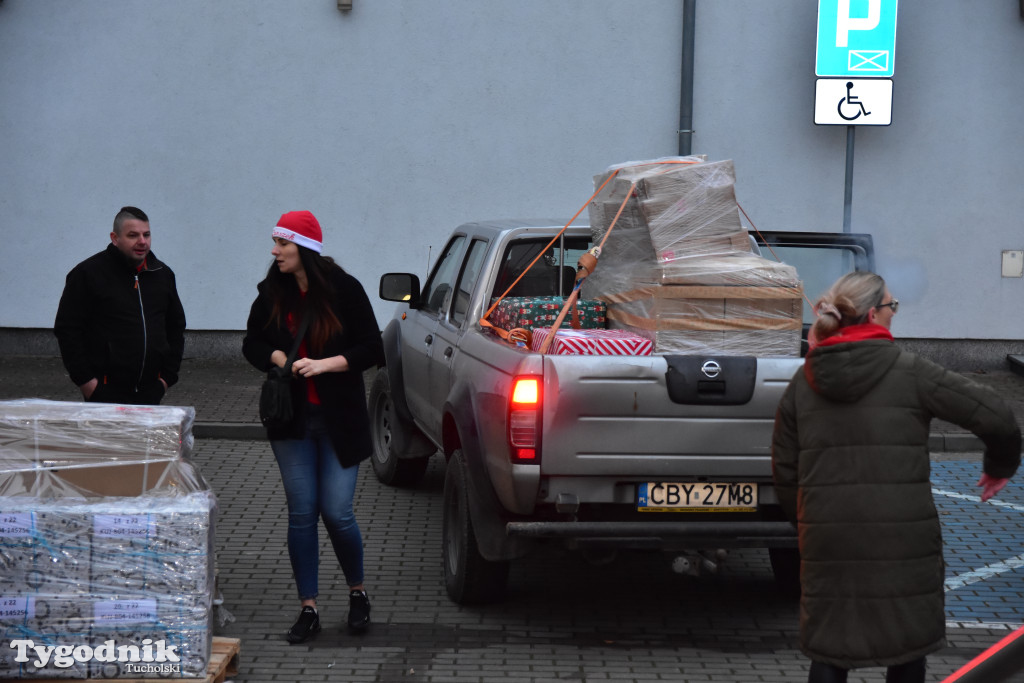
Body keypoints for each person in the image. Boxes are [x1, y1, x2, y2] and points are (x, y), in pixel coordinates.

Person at [772, 272, 1021, 683]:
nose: (894, 312)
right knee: (906, 647)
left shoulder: (804, 382)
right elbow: (997, 414)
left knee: (830, 647)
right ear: (873, 315)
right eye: (893, 306)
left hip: (829, 536)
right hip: (902, 538)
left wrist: (809, 524)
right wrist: (999, 467)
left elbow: (784, 469)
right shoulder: (911, 371)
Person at [242, 210, 384, 644]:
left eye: (282, 244)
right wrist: (280, 358)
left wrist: (324, 364)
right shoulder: (273, 292)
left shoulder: (345, 289)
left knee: (337, 511)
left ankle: (358, 593)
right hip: (293, 421)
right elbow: (252, 343)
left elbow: (371, 348)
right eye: (275, 243)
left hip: (339, 419)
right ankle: (309, 607)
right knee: (302, 513)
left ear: (303, 248)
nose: (274, 251)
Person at [54, 206, 186, 405]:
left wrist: (166, 379)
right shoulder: (88, 274)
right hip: (104, 392)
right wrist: (87, 383)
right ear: (115, 238)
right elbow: (67, 330)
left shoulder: (162, 274)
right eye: (133, 235)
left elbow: (175, 328)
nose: (142, 241)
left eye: (146, 234)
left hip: (150, 391)